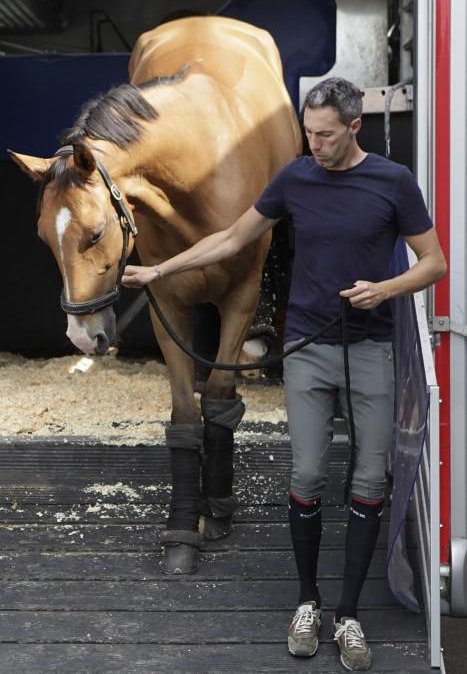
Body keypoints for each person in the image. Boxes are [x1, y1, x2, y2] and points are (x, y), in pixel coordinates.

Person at [122, 77, 447, 671]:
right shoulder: (296, 176)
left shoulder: (393, 183)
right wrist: (159, 269)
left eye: (325, 135)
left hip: (372, 348)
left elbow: (435, 263)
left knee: (371, 480)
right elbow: (231, 237)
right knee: (306, 472)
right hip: (307, 347)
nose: (314, 144)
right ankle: (307, 602)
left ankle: (349, 614)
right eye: (308, 132)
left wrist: (386, 289)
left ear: (354, 128)